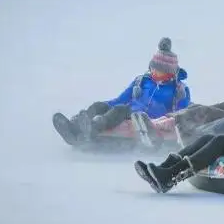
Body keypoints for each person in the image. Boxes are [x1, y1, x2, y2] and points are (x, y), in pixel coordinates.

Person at [52, 37, 191, 145]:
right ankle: (74, 127)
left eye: (159, 71)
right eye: (153, 68)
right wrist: (102, 106)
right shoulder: (142, 81)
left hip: (146, 119)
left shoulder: (179, 90)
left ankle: (93, 129)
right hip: (128, 111)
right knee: (101, 105)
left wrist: (165, 121)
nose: (154, 73)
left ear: (169, 73)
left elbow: (181, 114)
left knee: (120, 109)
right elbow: (120, 99)